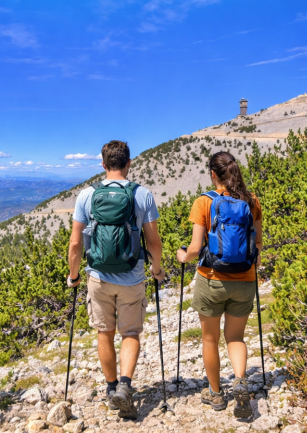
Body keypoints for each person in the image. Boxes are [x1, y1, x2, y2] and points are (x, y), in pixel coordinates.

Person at [67, 140, 166, 419]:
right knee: (130, 333)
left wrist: (74, 275)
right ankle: (125, 385)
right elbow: (154, 242)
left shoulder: (87, 195)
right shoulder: (142, 194)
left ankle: (111, 389)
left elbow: (76, 244)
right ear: (129, 163)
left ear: (103, 164)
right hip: (132, 277)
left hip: (97, 276)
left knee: (104, 333)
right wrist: (156, 269)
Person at [176, 151, 263, 418]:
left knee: (210, 339)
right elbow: (257, 245)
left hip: (212, 279)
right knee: (235, 337)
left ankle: (216, 394)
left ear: (214, 174)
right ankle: (239, 381)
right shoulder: (252, 201)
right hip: (244, 279)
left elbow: (194, 248)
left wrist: (182, 256)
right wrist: (252, 271)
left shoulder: (204, 202)